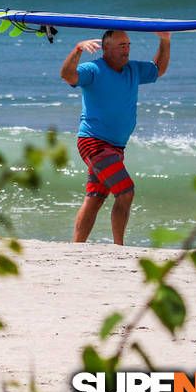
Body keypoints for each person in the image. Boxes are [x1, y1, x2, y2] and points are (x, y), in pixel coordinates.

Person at [60, 29, 170, 245]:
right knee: (126, 191)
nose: (127, 49)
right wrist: (77, 49)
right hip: (93, 142)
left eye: (128, 45)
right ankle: (119, 247)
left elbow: (158, 70)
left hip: (116, 147)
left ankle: (76, 247)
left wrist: (165, 40)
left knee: (95, 199)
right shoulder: (93, 70)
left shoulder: (133, 70)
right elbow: (67, 75)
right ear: (106, 48)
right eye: (121, 45)